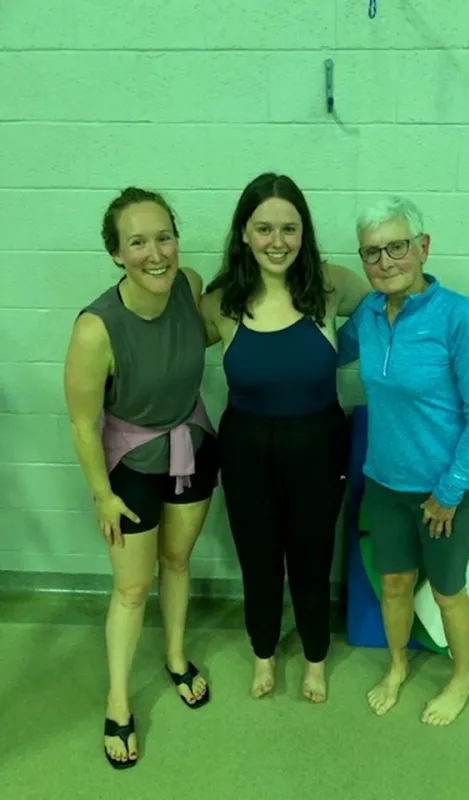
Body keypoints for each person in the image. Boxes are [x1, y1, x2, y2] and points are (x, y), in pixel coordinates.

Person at [64, 187, 218, 769]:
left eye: (164, 237)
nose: (155, 253)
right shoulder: (95, 328)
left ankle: (176, 658)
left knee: (177, 563)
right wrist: (101, 496)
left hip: (193, 445)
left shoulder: (190, 284)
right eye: (137, 242)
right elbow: (83, 424)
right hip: (130, 466)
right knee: (132, 588)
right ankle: (119, 700)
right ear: (115, 254)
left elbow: (201, 333)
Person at [200, 173, 370, 703]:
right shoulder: (222, 302)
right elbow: (167, 343)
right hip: (247, 445)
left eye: (289, 228)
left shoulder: (330, 285)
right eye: (265, 228)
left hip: (318, 441)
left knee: (312, 555)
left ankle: (316, 658)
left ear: (304, 232)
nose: (278, 241)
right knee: (259, 555)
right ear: (245, 234)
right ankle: (264, 653)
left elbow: (389, 303)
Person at [337, 196, 469, 726]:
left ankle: (461, 676)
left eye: (397, 247)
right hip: (384, 484)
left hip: (445, 492)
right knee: (394, 584)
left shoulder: (458, 317)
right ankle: (398, 665)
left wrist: (449, 492)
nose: (385, 262)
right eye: (372, 253)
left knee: (449, 593)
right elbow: (326, 350)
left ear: (423, 248)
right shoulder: (366, 315)